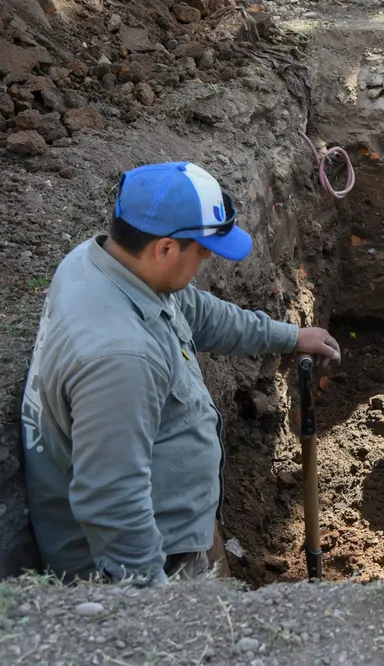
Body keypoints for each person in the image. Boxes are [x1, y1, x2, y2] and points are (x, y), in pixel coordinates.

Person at [20, 161, 341, 586]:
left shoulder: (103, 263)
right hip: (147, 565)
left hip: (172, 527)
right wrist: (156, 615)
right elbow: (114, 508)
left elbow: (196, 311)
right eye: (204, 249)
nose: (209, 257)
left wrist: (288, 335)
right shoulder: (121, 359)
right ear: (166, 249)